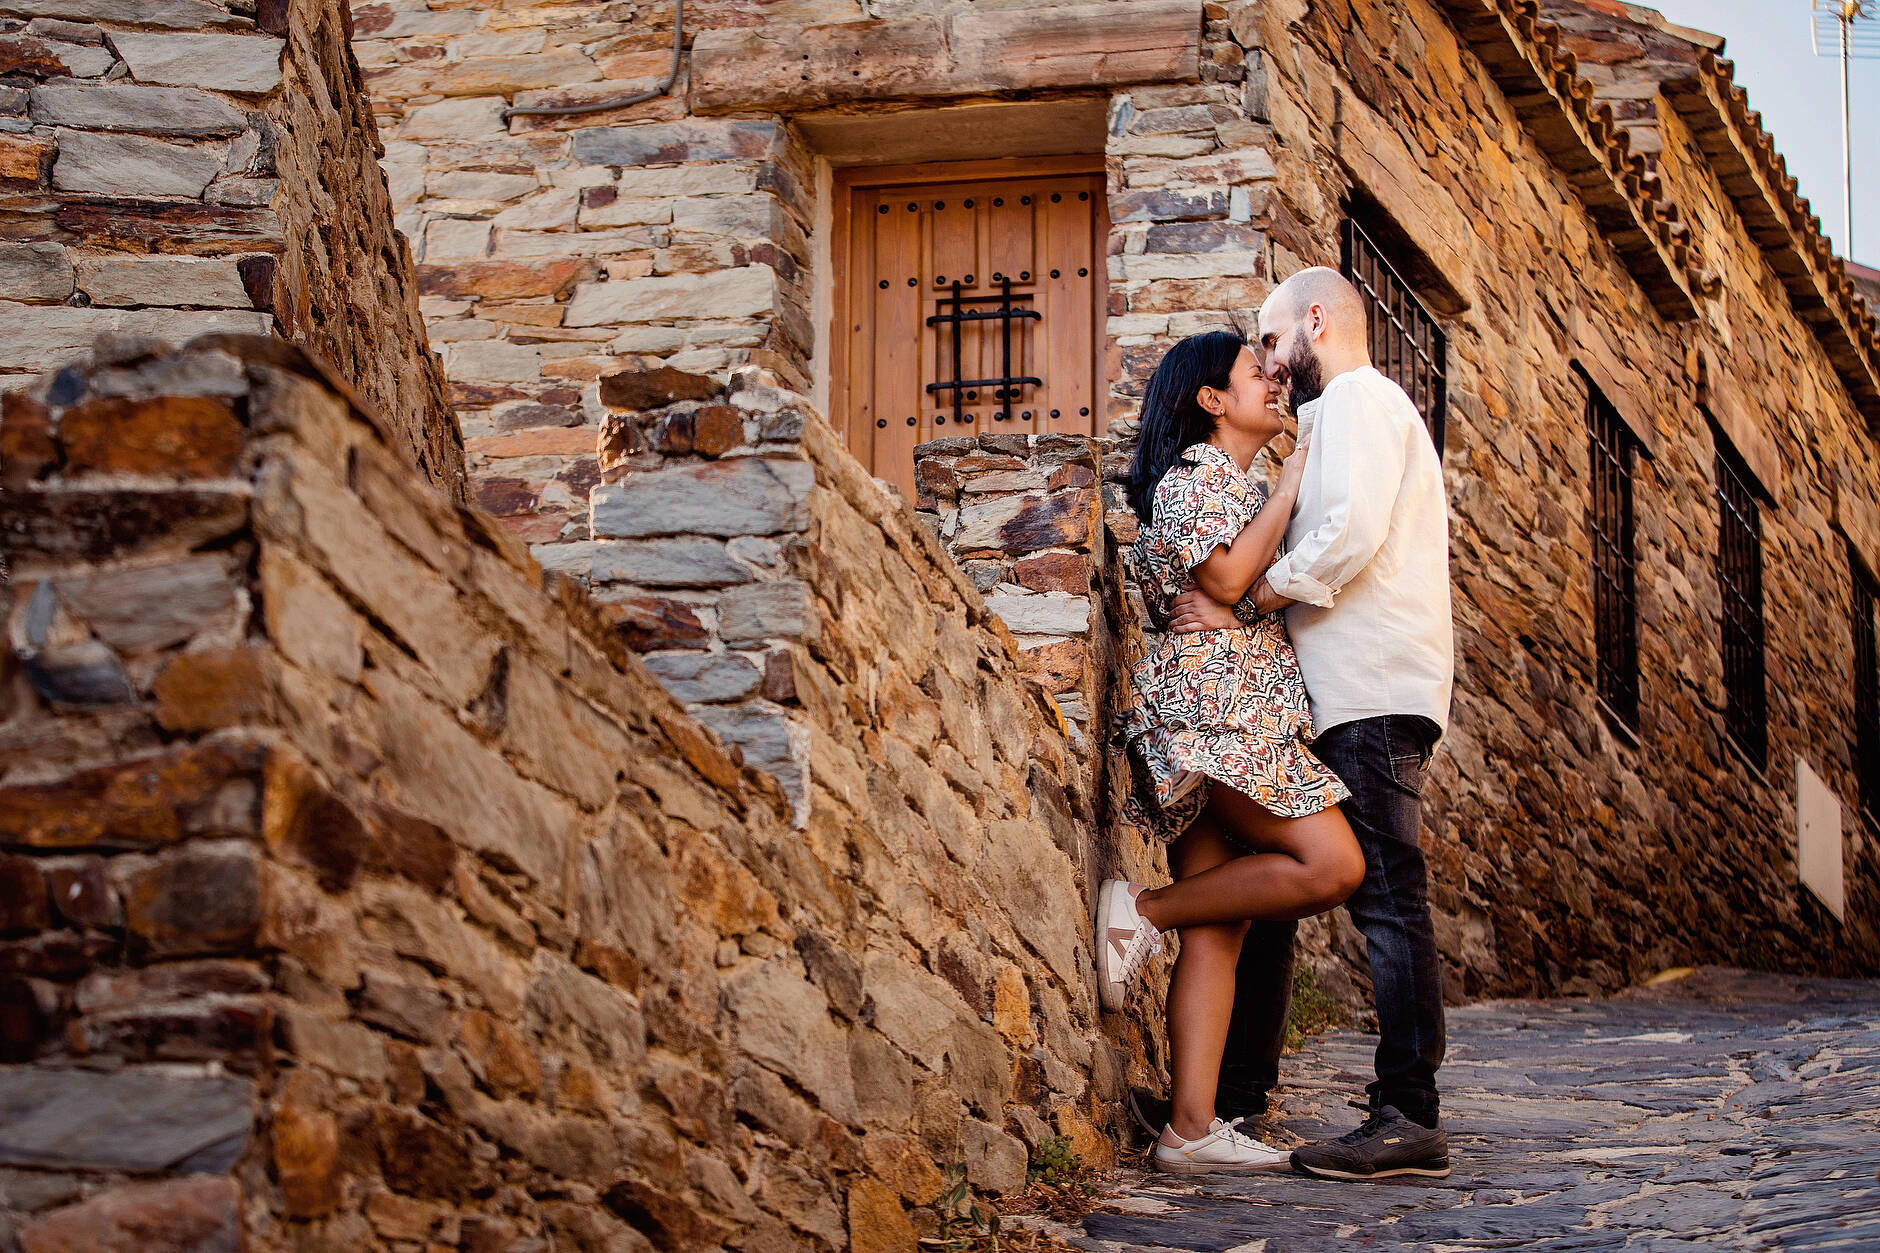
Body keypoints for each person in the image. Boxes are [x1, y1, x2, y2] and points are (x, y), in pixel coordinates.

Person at [1164, 268, 1456, 1181]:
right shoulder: (1328, 424)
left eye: (1270, 333)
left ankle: (1408, 1111)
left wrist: (1254, 592)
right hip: (1335, 699)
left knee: (1385, 901)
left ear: (1314, 322)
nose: (1267, 357)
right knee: (1279, 900)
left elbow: (1354, 532)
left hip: (1369, 694)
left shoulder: (1367, 400)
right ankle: (1235, 1096)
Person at [1098, 328, 1365, 1176]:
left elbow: (1241, 588)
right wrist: (1288, 482)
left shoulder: (1232, 484)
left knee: (1223, 920)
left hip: (1235, 705)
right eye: (1256, 371)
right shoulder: (1194, 477)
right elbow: (1222, 579)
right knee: (1332, 863)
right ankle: (1140, 910)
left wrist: (1249, 580)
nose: (1273, 379)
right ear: (1214, 401)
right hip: (1216, 712)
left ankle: (1190, 1126)